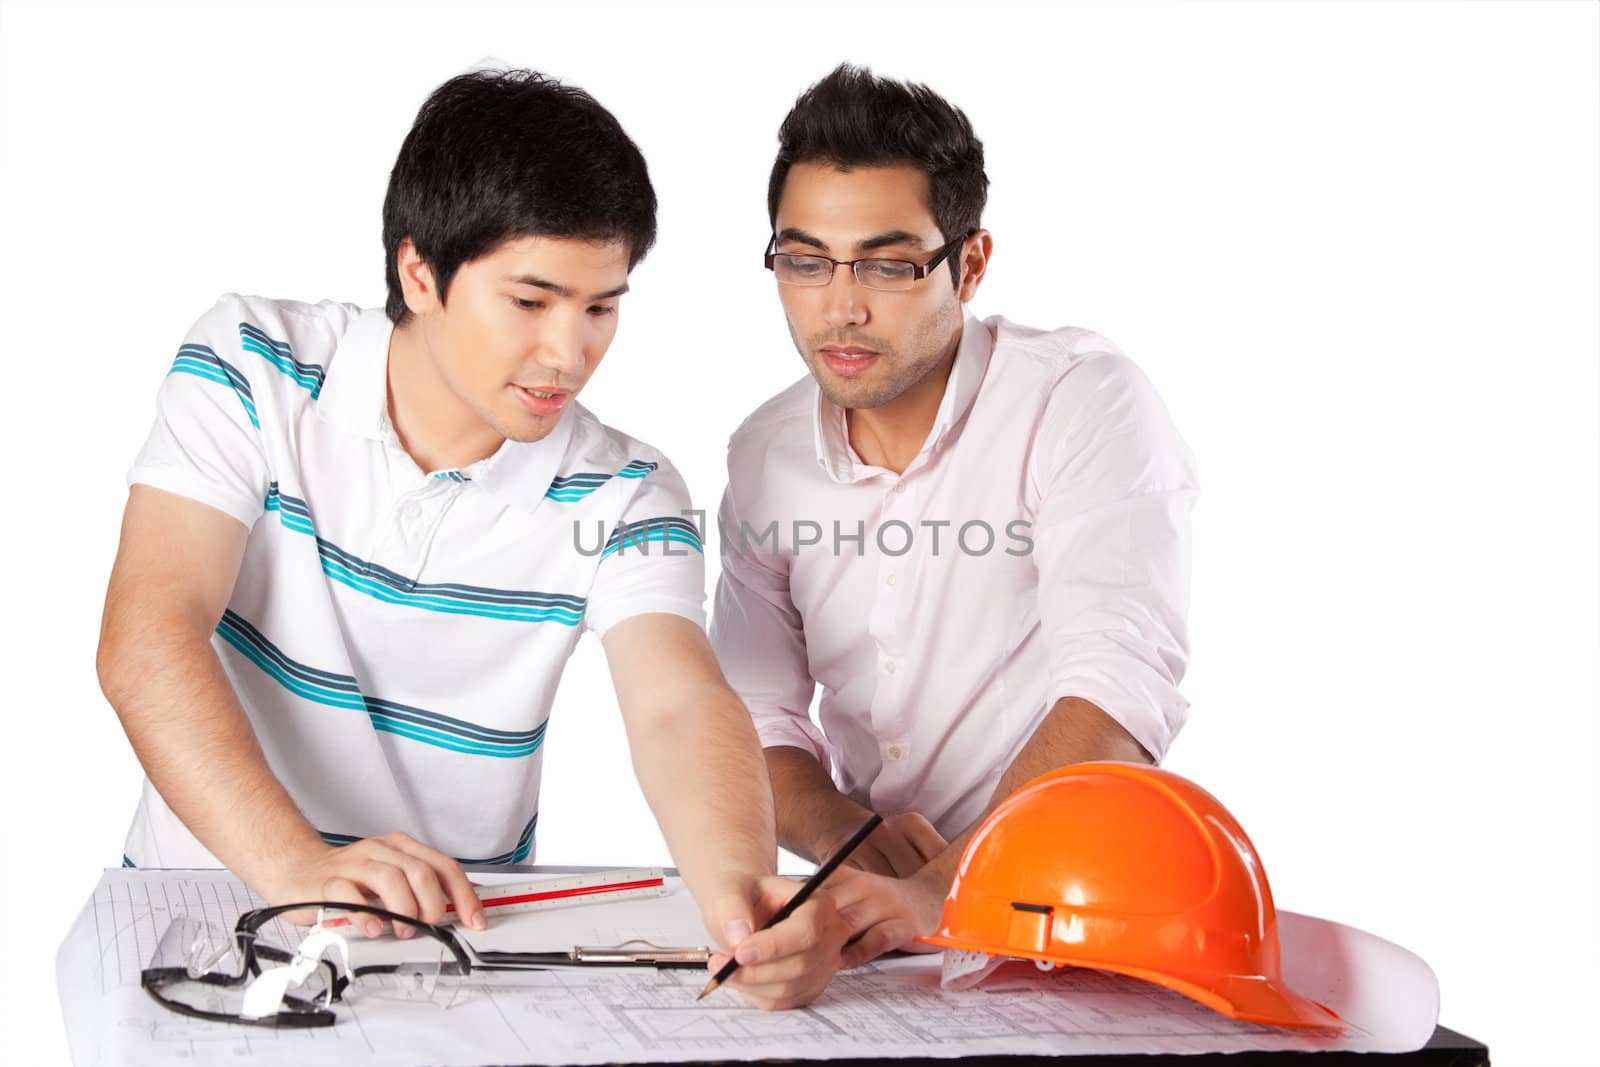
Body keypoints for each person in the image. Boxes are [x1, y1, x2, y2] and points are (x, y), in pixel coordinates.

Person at [95, 68, 845, 1010]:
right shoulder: (252, 366)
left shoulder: (628, 490)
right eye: (531, 302)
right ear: (420, 272)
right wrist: (300, 867)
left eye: (601, 306)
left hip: (446, 957)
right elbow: (146, 636)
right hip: (202, 914)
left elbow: (678, 704)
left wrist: (744, 902)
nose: (569, 352)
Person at [710, 64, 1200, 968]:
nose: (840, 305)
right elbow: (753, 721)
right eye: (805, 260)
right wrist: (848, 839)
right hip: (880, 935)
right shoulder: (764, 454)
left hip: (1078, 918)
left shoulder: (1080, 401)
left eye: (891, 264)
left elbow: (1119, 688)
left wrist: (942, 890)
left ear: (969, 263)